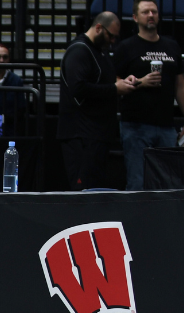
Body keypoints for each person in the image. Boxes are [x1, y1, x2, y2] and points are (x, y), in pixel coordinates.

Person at [112, 0, 184, 190]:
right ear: (135, 17)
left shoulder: (172, 46)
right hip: (136, 125)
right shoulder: (126, 47)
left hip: (166, 125)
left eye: (154, 12)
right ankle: (136, 220)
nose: (151, 15)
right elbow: (115, 82)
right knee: (137, 182)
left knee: (168, 182)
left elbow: (180, 85)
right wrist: (141, 82)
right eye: (145, 12)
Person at [58, 12, 136, 190]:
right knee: (83, 189)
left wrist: (123, 82)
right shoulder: (79, 50)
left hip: (97, 133)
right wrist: (116, 88)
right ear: (99, 28)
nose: (113, 41)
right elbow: (78, 89)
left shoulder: (100, 52)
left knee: (95, 188)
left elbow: (105, 82)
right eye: (111, 35)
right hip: (81, 135)